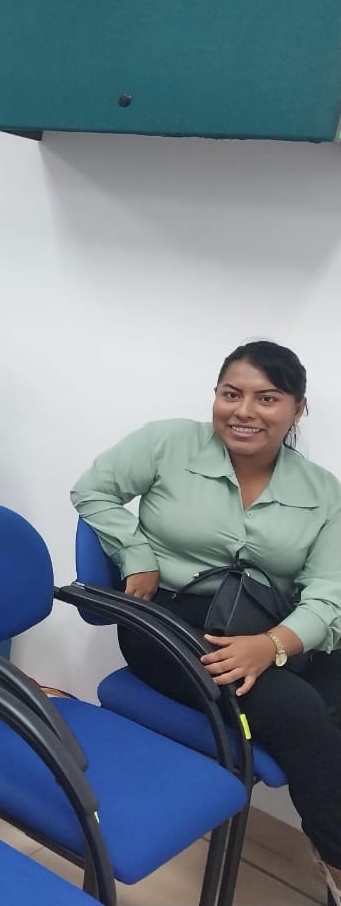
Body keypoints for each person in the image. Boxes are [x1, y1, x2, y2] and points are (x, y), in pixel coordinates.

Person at [72, 340, 341, 900]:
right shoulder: (166, 442)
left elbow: (329, 592)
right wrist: (136, 554)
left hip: (266, 621)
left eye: (267, 398)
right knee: (299, 711)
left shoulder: (323, 492)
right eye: (231, 394)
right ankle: (337, 860)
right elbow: (92, 491)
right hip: (168, 620)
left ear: (298, 408)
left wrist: (272, 645)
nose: (244, 411)